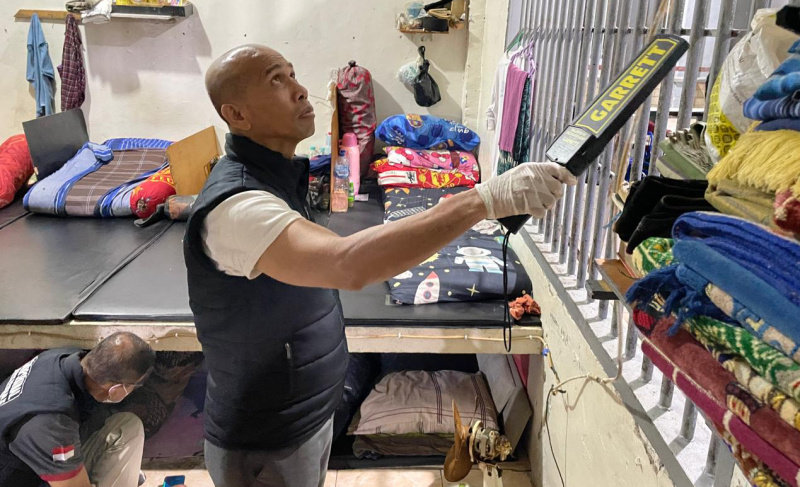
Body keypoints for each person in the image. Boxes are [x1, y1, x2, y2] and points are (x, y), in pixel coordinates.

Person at [184, 44, 577, 487]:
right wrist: (482, 201)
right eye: (277, 80)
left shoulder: (277, 176)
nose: (300, 90)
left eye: (292, 74)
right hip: (267, 438)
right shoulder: (238, 206)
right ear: (237, 115)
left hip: (305, 414)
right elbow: (348, 264)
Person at [0, 332, 155, 487]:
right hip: (17, 479)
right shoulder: (52, 422)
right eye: (135, 386)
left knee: (126, 426)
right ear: (115, 389)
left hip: (33, 459)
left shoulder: (60, 358)